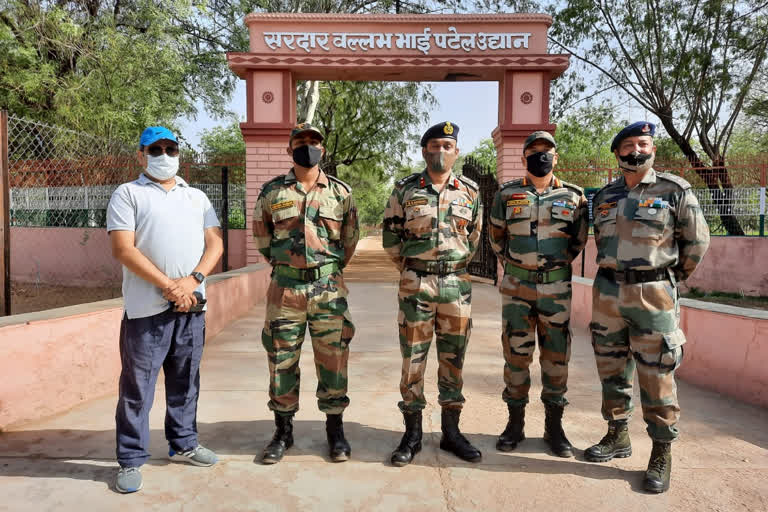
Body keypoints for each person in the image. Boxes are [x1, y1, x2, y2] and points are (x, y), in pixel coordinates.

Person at [585, 121, 710, 493]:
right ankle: (617, 435)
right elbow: (601, 243)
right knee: (611, 369)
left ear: (652, 148)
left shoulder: (674, 190)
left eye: (643, 143)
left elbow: (696, 244)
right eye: (628, 145)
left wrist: (662, 280)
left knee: (656, 375)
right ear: (618, 153)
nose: (636, 150)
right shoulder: (604, 196)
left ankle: (661, 451)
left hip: (653, 296)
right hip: (607, 294)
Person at [107, 126, 223, 493]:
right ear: (140, 155)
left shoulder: (197, 197)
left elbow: (215, 244)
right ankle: (129, 459)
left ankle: (184, 444)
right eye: (154, 149)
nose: (163, 154)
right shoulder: (128, 194)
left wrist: (193, 280)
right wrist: (169, 286)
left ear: (178, 154)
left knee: (185, 383)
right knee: (137, 389)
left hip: (192, 307)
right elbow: (124, 249)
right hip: (146, 312)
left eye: (170, 148)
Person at [252, 122, 359, 464]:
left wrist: (324, 267)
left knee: (334, 360)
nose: (308, 147)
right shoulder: (272, 192)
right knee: (281, 360)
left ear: (323, 150)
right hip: (285, 288)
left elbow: (350, 240)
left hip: (328, 289)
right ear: (289, 149)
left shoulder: (341, 193)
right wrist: (289, 266)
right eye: (301, 142)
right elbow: (262, 238)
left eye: (314, 142)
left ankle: (335, 430)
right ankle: (283, 432)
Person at [382, 121, 483, 466]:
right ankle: (412, 434)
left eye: (447, 146)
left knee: (453, 361)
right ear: (424, 151)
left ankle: (451, 433)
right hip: (416, 285)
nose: (441, 151)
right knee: (413, 360)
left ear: (457, 151)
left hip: (456, 286)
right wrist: (415, 270)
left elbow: (474, 238)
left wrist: (450, 268)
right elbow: (391, 239)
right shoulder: (405, 190)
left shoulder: (470, 191)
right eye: (434, 146)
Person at [488, 130, 588, 458]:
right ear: (523, 157)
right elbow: (496, 238)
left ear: (556, 157)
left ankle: (554, 428)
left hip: (557, 289)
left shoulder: (574, 197)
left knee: (556, 357)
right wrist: (521, 267)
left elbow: (578, 241)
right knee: (516, 357)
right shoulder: (506, 195)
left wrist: (551, 268)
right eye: (534, 150)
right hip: (517, 288)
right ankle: (514, 424)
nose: (540, 156)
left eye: (547, 151)